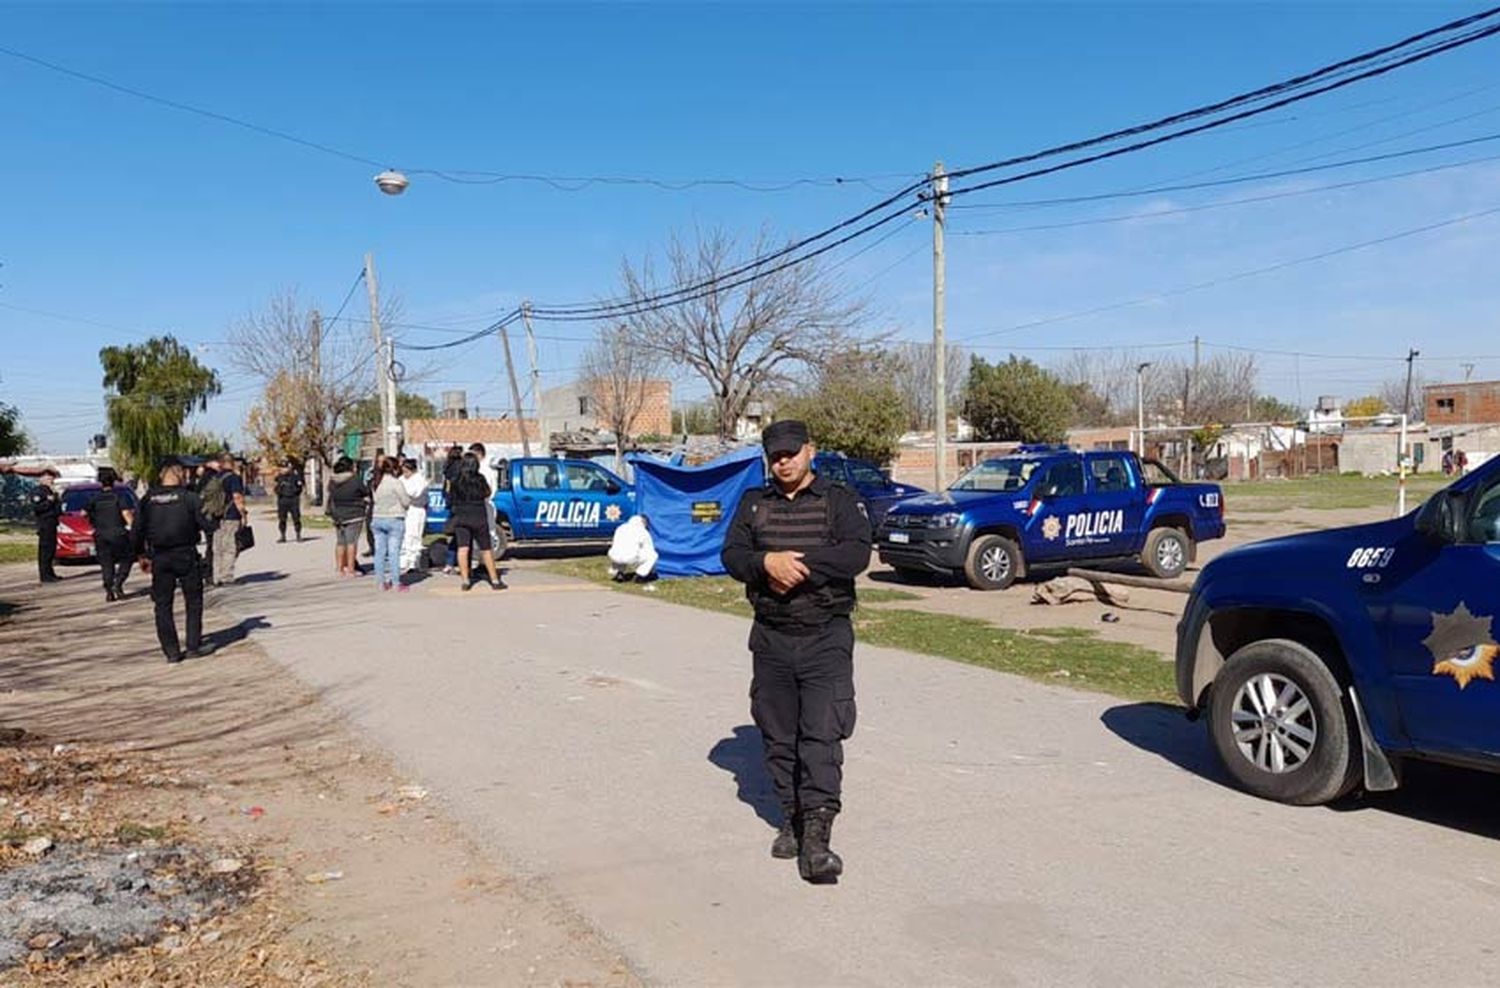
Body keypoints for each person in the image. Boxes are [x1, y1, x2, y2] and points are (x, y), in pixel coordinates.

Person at [721, 420, 871, 882]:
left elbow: (856, 554)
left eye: (791, 452)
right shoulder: (753, 503)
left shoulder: (838, 501)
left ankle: (818, 839)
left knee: (821, 736)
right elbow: (731, 555)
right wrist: (765, 563)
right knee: (778, 737)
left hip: (824, 635)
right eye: (775, 455)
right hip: (771, 637)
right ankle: (792, 818)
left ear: (810, 450)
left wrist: (798, 566)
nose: (783, 462)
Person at [131, 456, 214, 664]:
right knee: (193, 601)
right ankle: (193, 646)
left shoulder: (148, 499)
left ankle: (171, 651)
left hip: (160, 557)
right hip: (185, 554)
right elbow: (208, 525)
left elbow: (137, 530)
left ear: (160, 475)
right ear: (177, 472)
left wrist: (140, 554)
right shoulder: (189, 497)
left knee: (162, 605)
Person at [449, 453, 505, 591]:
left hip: (461, 516)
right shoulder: (480, 479)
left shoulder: (456, 481)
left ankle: (465, 580)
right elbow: (487, 493)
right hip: (478, 516)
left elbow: (451, 498)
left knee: (463, 548)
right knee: (486, 548)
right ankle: (495, 580)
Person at [85, 466, 135, 601]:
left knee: (106, 563)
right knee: (127, 559)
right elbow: (127, 515)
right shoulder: (119, 498)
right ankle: (118, 583)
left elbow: (85, 514)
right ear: (113, 481)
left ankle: (108, 590)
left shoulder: (94, 499)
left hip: (101, 535)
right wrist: (134, 529)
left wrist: (94, 523)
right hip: (118, 534)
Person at [369, 456, 413, 591]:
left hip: (377, 518)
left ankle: (381, 582)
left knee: (379, 552)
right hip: (394, 518)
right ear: (395, 469)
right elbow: (405, 501)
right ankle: (395, 582)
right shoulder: (396, 483)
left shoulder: (376, 482)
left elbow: (374, 499)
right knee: (394, 552)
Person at [326, 456, 369, 577]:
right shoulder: (354, 479)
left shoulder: (332, 480)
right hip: (354, 513)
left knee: (340, 542)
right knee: (351, 542)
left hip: (338, 514)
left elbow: (330, 494)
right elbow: (365, 492)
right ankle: (350, 569)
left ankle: (339, 568)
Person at [209, 455, 247, 586]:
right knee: (230, 546)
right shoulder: (234, 477)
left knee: (218, 547)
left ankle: (216, 576)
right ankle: (227, 577)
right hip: (230, 515)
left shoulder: (215, 478)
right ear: (232, 463)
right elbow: (237, 497)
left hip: (215, 516)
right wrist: (243, 514)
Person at [399, 458, 430, 575]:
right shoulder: (401, 479)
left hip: (416, 510)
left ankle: (414, 562)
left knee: (414, 535)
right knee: (404, 536)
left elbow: (414, 493)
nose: (405, 474)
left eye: (407, 471)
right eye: (403, 471)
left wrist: (402, 493)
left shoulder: (419, 479)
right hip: (404, 510)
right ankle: (403, 561)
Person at [30, 467, 61, 584]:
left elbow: (57, 508)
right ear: (42, 478)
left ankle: (50, 573)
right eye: (49, 477)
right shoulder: (38, 491)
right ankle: (45, 575)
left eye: (52, 477)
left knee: (51, 550)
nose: (51, 480)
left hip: (52, 523)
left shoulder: (51, 491)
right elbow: (37, 508)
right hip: (44, 524)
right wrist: (49, 501)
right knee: (45, 551)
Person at [608, 514, 658, 584]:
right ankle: (640, 576)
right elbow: (650, 548)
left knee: (621, 550)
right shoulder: (643, 531)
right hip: (630, 557)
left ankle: (619, 573)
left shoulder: (620, 528)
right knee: (653, 555)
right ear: (644, 522)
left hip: (614, 556)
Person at [469, 443, 502, 551]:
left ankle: (486, 562)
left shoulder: (486, 471)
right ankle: (479, 562)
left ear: (479, 454)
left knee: (488, 535)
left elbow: (489, 490)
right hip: (476, 507)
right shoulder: (475, 469)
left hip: (485, 505)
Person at [274, 459, 305, 542]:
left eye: (285, 467)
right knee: (282, 519)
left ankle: (298, 535)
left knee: (296, 518)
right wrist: (279, 491)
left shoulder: (295, 477)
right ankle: (282, 536)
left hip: (293, 500)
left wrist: (295, 492)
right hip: (282, 500)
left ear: (289, 468)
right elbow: (276, 488)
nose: (283, 469)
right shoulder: (278, 477)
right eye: (281, 467)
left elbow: (299, 487)